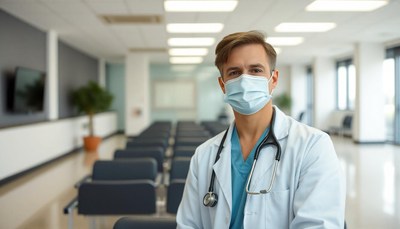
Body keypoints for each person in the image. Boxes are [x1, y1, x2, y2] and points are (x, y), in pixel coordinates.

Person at [176, 31, 346, 228]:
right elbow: (188, 225)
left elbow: (318, 225)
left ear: (273, 79)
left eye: (255, 70)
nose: (245, 80)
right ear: (223, 85)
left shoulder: (313, 146)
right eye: (234, 72)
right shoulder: (204, 155)